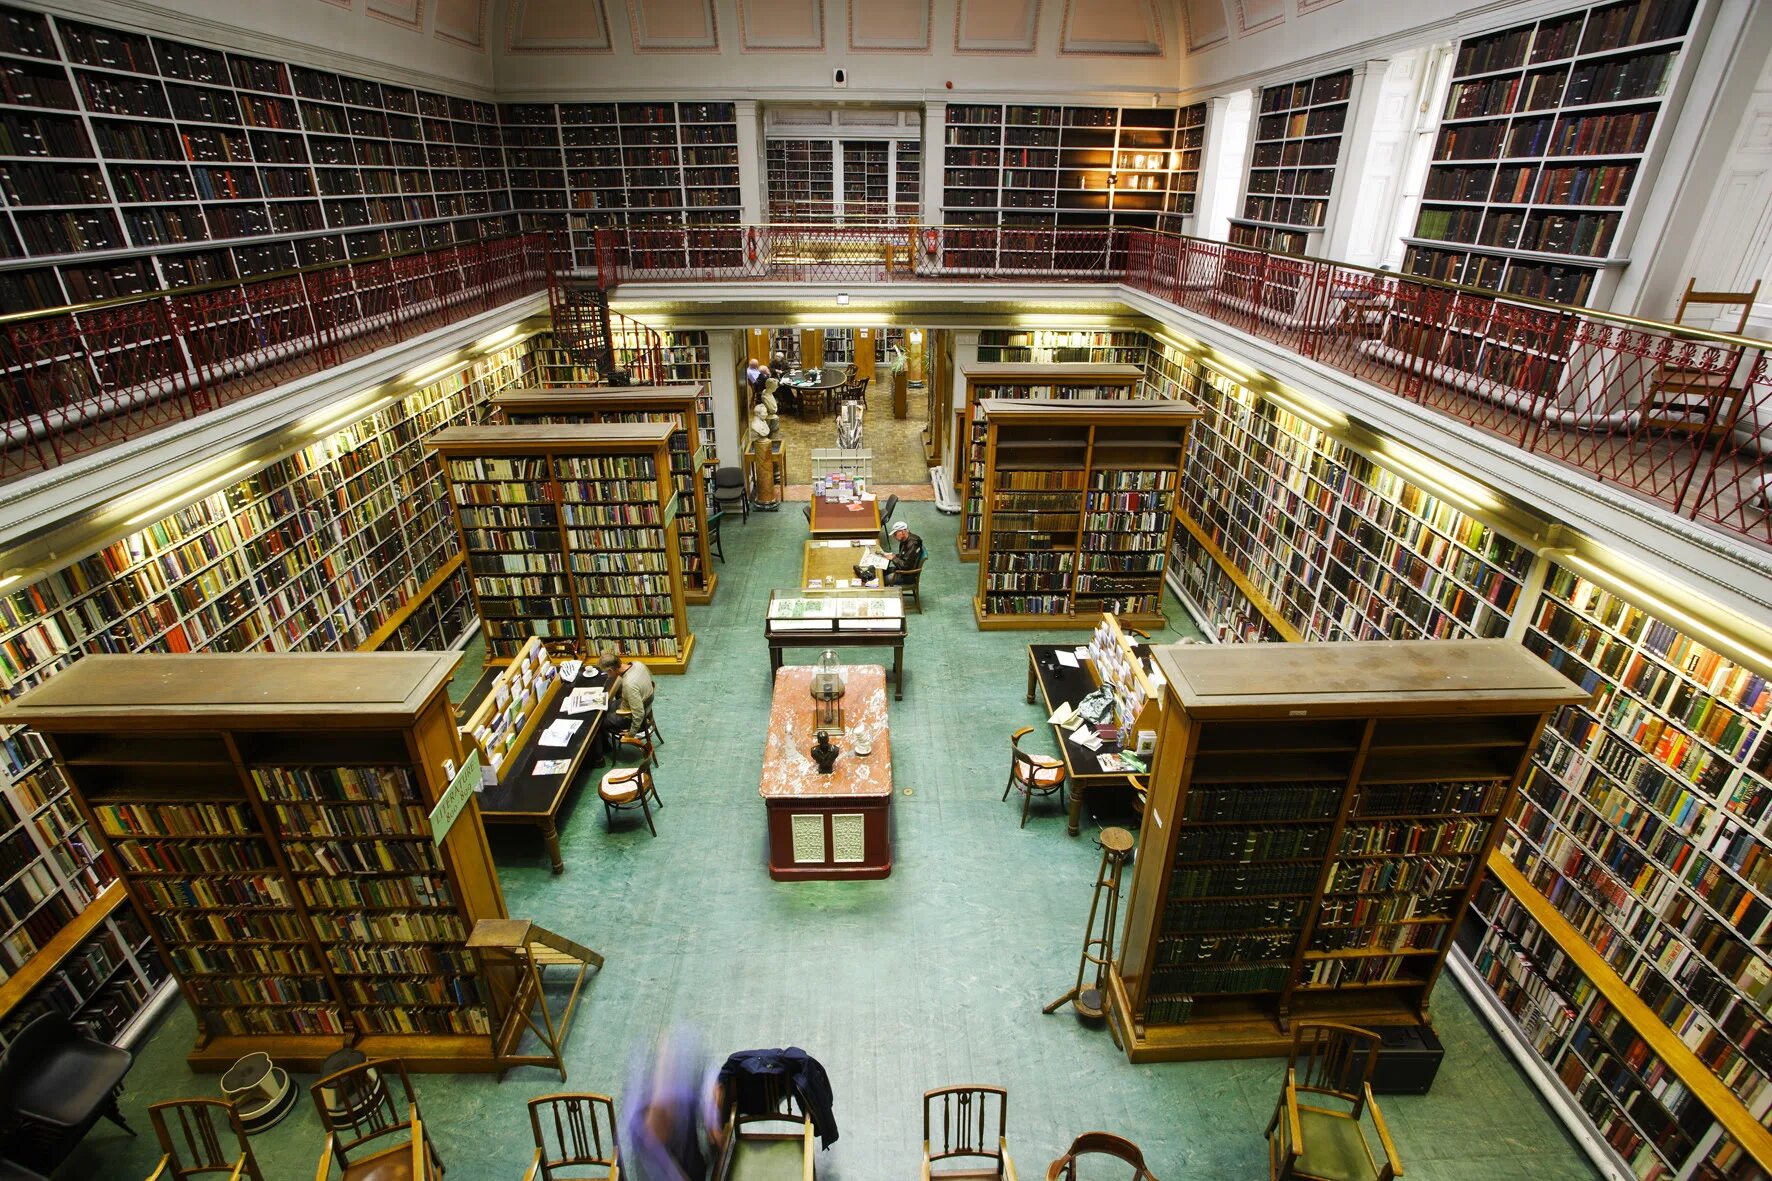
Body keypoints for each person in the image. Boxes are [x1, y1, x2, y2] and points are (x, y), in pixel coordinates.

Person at [598, 644, 655, 746]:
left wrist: (631, 734)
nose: (607, 676)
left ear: (611, 670)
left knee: (600, 721)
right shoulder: (637, 664)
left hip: (630, 716)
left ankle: (606, 749)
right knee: (607, 706)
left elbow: (639, 713)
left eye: (607, 673)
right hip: (644, 702)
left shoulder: (629, 684)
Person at [856, 521, 924, 586]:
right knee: (879, 572)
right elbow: (905, 556)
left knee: (878, 581)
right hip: (900, 569)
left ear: (903, 532)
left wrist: (893, 558)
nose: (894, 537)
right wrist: (893, 556)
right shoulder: (905, 539)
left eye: (895, 534)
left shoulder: (912, 544)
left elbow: (905, 566)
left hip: (907, 576)